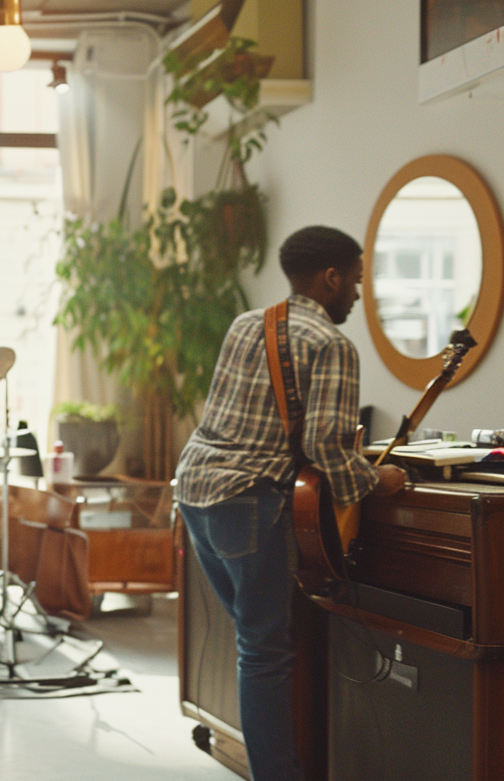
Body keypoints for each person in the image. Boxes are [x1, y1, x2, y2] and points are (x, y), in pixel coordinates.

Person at [174, 226, 407, 781]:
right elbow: (326, 444)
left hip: (194, 491)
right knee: (265, 653)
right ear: (330, 278)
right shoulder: (331, 344)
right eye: (355, 280)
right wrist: (382, 481)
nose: (356, 292)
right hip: (247, 499)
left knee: (256, 640)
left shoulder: (246, 323)